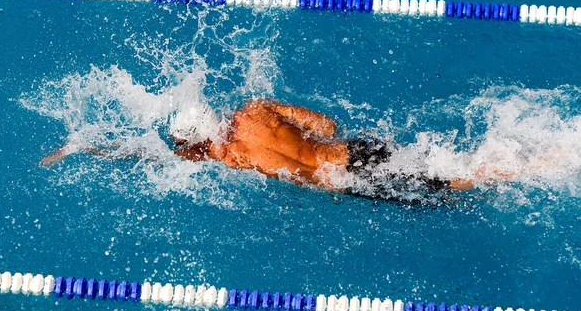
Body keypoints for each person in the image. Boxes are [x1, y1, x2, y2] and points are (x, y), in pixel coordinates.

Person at [41, 100, 504, 196]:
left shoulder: (222, 156)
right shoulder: (256, 108)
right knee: (443, 165)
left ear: (200, 141)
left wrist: (85, 148)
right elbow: (326, 123)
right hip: (352, 153)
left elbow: (147, 154)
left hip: (342, 182)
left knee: (460, 184)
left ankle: (545, 165)